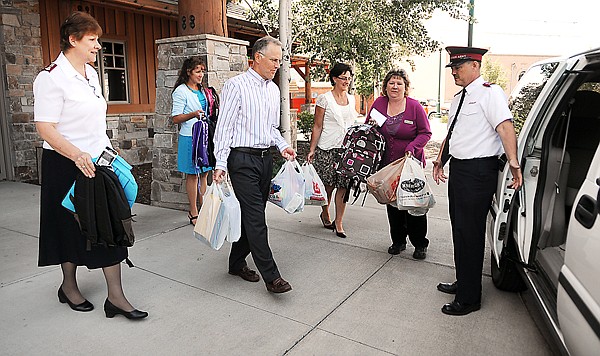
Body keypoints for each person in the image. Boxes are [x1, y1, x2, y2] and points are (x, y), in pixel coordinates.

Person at [33, 11, 147, 319]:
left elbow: (95, 119)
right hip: (65, 163)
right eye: (92, 40)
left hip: (98, 161)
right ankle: (68, 286)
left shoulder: (91, 74)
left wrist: (107, 150)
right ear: (73, 40)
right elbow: (45, 127)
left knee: (108, 225)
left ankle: (116, 298)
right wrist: (76, 154)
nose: (98, 45)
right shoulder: (50, 78)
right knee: (69, 229)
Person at [432, 46, 523, 316]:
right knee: (459, 229)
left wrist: (514, 161)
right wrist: (440, 160)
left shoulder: (489, 92)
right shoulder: (461, 97)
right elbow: (453, 133)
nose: (454, 73)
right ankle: (464, 282)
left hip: (478, 172)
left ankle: (470, 298)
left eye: (458, 68)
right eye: (452, 69)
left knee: (470, 233)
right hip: (460, 170)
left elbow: (505, 127)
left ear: (475, 65)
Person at [212, 36, 296, 294]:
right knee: (256, 218)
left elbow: (269, 129)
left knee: (254, 215)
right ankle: (272, 277)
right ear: (257, 57)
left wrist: (282, 145)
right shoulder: (236, 86)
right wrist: (220, 162)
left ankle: (236, 262)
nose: (277, 66)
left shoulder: (273, 89)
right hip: (242, 161)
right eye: (273, 60)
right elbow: (224, 127)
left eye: (279, 61)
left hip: (265, 160)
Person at [366, 69, 432, 259]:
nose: (395, 86)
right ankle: (398, 241)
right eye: (391, 83)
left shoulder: (414, 107)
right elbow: (369, 127)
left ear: (405, 87)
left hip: (410, 164)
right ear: (385, 86)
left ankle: (420, 243)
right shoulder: (379, 103)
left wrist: (413, 146)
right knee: (392, 205)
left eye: (399, 83)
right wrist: (371, 126)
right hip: (387, 165)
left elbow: (426, 133)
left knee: (414, 205)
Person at [306, 63, 358, 238]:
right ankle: (325, 212)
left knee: (343, 187)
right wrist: (312, 149)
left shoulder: (352, 99)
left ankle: (339, 222)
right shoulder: (324, 99)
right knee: (328, 186)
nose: (347, 81)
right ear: (335, 78)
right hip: (327, 148)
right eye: (343, 78)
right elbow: (317, 125)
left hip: (346, 150)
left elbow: (353, 123)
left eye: (349, 78)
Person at [172, 57, 218, 225]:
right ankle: (193, 212)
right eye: (197, 71)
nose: (201, 75)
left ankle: (204, 208)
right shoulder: (181, 91)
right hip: (190, 138)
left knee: (205, 174)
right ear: (188, 72)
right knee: (192, 175)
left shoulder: (203, 90)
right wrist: (193, 114)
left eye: (202, 71)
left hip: (205, 137)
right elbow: (176, 118)